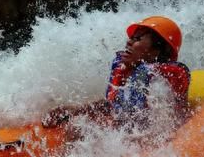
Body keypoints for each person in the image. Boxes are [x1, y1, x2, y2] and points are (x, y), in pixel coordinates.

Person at [42, 16, 190, 140]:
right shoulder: (132, 72)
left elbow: (160, 126)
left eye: (137, 39)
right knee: (78, 126)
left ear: (156, 51)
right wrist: (72, 111)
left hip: (156, 143)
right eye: (131, 38)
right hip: (133, 135)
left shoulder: (161, 81)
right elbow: (115, 106)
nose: (129, 42)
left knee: (78, 131)